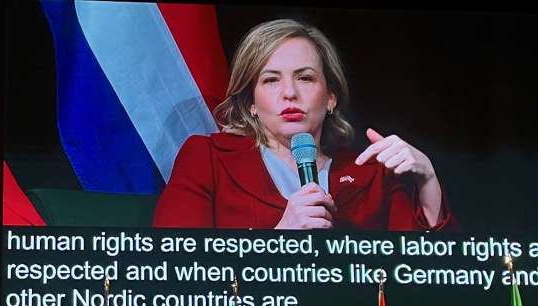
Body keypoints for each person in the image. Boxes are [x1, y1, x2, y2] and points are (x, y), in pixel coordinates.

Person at [152, 18, 452, 231]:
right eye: (271, 80)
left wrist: (427, 180)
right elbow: (178, 272)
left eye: (305, 77)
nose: (290, 93)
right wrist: (282, 240)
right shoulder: (207, 159)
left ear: (331, 97)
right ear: (251, 103)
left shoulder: (373, 174)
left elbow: (425, 281)